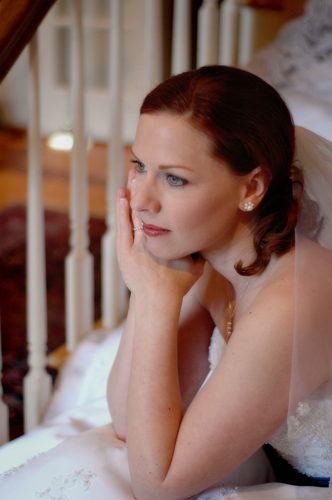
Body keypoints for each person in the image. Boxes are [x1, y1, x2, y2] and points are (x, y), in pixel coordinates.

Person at [0, 65, 331, 500]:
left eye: (174, 178)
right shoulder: (212, 250)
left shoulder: (293, 299)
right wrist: (151, 285)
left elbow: (159, 486)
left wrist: (156, 298)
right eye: (140, 165)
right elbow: (127, 421)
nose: (140, 200)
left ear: (251, 187)